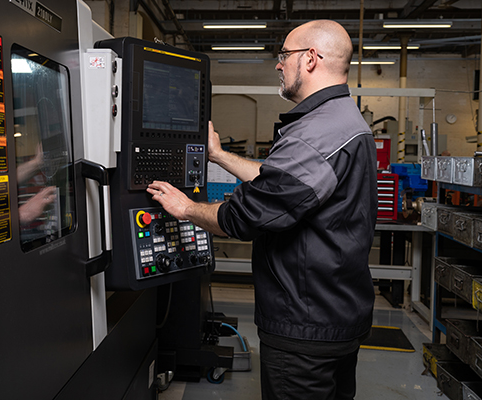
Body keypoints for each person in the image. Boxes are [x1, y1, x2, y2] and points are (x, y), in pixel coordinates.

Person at [147, 19, 377, 400]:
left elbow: (245, 216)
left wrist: (186, 208)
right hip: (336, 315)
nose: (278, 64)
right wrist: (219, 156)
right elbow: (280, 181)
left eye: (284, 55)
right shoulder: (344, 121)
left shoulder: (317, 133)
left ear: (310, 59)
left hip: (303, 327)